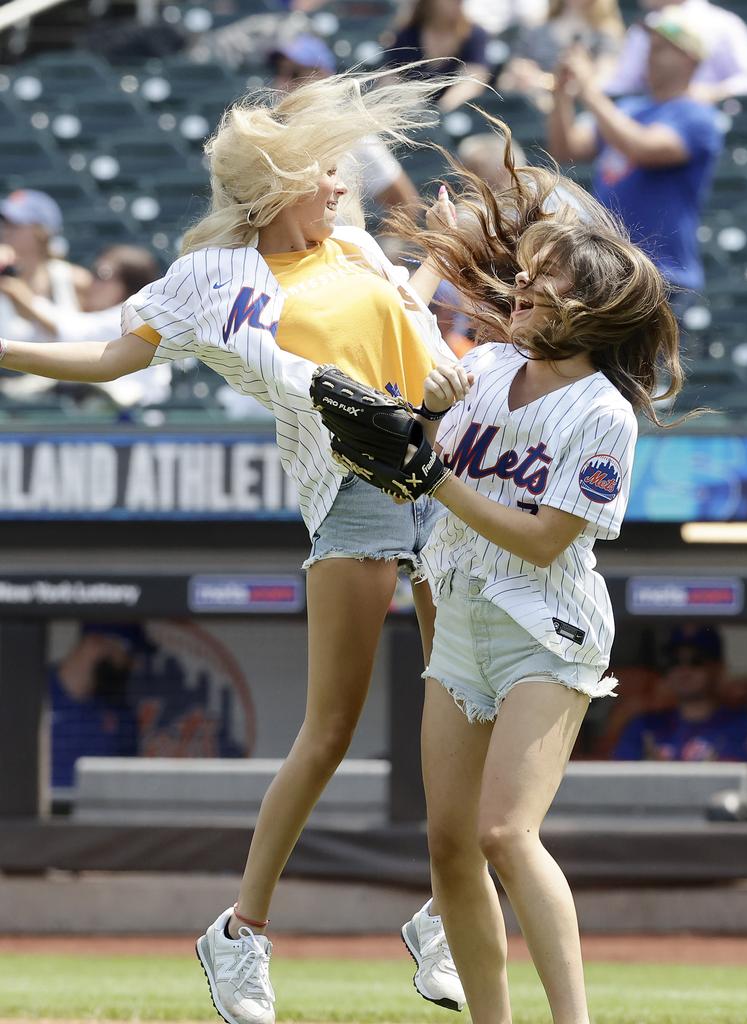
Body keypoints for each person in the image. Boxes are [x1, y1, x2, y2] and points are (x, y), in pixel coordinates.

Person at [0, 69, 468, 1023]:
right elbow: (113, 352)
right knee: (331, 730)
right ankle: (240, 933)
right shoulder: (216, 277)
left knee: (460, 712)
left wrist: (443, 300)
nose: (342, 185)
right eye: (326, 171)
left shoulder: (358, 253)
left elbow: (427, 369)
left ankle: (444, 917)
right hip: (356, 491)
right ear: (282, 183)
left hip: (446, 482)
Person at [380, 139, 684, 1023]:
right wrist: (422, 411)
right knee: (448, 848)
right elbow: (412, 380)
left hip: (547, 629)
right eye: (525, 274)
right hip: (465, 618)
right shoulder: (482, 369)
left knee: (505, 834)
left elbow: (548, 540)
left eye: (548, 280)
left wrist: (436, 476)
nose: (523, 286)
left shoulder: (601, 413)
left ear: (593, 311)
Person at [547, 7, 723, 301]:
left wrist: (590, 89)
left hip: (664, 276)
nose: (650, 55)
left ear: (689, 59)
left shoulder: (697, 116)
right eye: (650, 47)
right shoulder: (630, 109)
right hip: (611, 271)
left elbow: (643, 148)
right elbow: (567, 150)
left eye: (663, 48)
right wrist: (561, 95)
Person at [268, 34, 422, 213]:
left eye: (294, 74)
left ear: (322, 76)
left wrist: (380, 241)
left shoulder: (353, 137)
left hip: (337, 238)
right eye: (279, 72)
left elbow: (406, 204)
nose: (283, 83)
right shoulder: (266, 133)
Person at [0, 245, 168, 407]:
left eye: (102, 274)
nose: (92, 282)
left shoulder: (136, 313)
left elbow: (74, 331)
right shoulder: (105, 317)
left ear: (128, 283)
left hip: (143, 422)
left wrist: (20, 293)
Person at [614, 625, 747, 788]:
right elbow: (618, 782)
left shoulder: (743, 726)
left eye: (696, 661)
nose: (684, 670)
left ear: (717, 668)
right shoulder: (644, 725)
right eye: (675, 661)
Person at [50, 623, 151, 790]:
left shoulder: (122, 716)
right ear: (96, 643)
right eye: (127, 654)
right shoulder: (27, 694)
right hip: (29, 814)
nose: (132, 664)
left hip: (95, 814)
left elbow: (127, 787)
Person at [605, 0, 747, 104]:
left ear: (689, 58)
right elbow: (620, 87)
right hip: (648, 118)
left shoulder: (724, 24)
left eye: (663, 48)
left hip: (708, 120)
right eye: (655, 48)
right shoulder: (642, 29)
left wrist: (713, 93)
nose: (654, 57)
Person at [0, 189, 91, 342]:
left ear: (41, 231)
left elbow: (89, 338)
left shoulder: (77, 280)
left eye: (15, 224)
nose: (5, 231)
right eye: (4, 224)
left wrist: (17, 292)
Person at [499, 0, 625, 103]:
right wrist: (519, 77)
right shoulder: (534, 30)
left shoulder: (607, 34)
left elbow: (602, 84)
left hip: (579, 115)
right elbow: (505, 83)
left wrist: (543, 81)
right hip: (529, 112)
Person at [381, 0, 491, 112]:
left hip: (457, 117)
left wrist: (441, 111)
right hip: (409, 116)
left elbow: (474, 79)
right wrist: (412, 107)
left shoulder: (473, 34)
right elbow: (390, 79)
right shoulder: (405, 35)